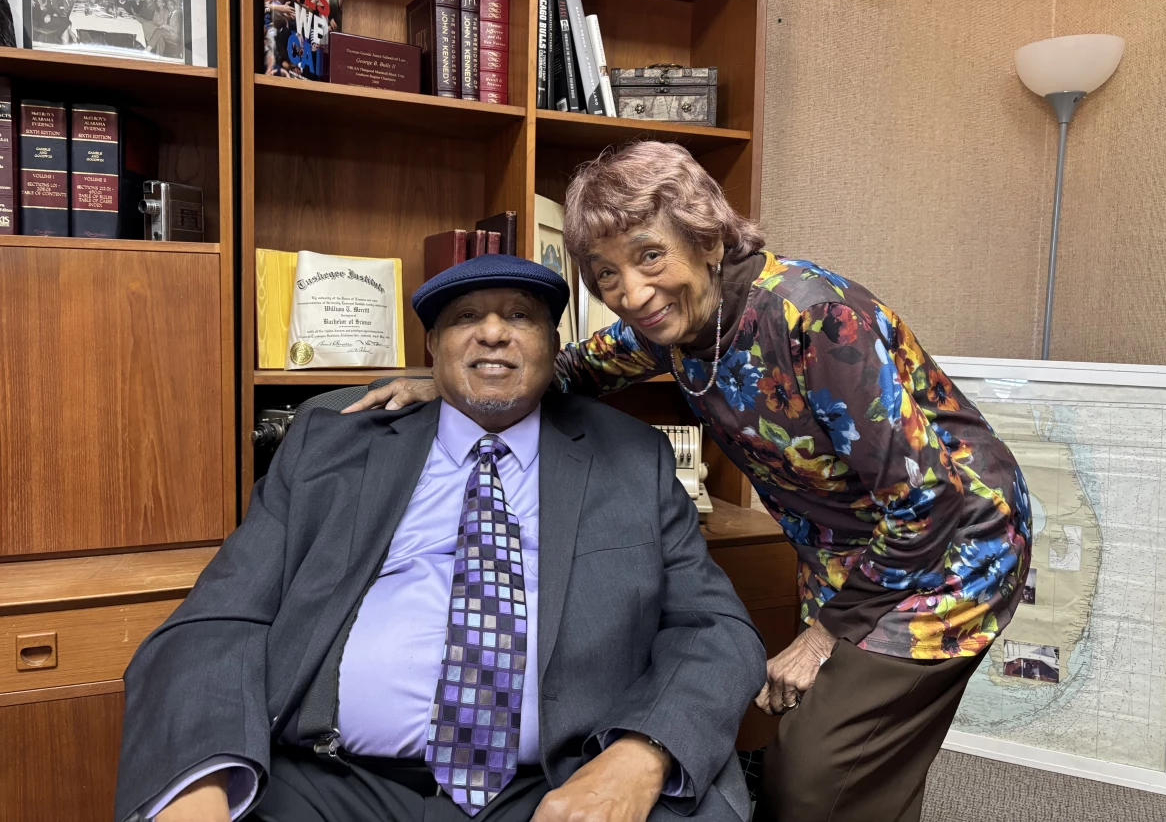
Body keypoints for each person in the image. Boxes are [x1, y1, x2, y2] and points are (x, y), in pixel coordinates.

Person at [347, 141, 1033, 822]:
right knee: (862, 763)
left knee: (812, 778)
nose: (632, 292)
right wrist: (450, 383)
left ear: (706, 238)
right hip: (847, 549)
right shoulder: (667, 326)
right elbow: (568, 370)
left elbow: (927, 497)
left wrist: (823, 634)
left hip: (951, 550)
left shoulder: (813, 317)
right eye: (605, 274)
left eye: (650, 255)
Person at [115, 254, 764, 822]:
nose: (492, 331)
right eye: (464, 318)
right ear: (431, 346)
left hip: (557, 784)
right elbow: (218, 617)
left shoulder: (631, 459)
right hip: (325, 782)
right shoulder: (328, 449)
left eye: (519, 316)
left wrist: (638, 755)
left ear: (553, 344)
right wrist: (201, 782)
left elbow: (715, 629)